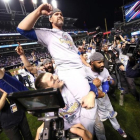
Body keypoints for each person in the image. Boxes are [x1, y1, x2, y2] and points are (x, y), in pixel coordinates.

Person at [17, 4, 98, 133]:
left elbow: (76, 52)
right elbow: (22, 29)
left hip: (80, 68)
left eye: (61, 14)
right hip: (70, 73)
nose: (60, 15)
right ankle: (86, 134)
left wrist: (86, 65)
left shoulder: (67, 35)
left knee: (98, 86)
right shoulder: (47, 34)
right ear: (50, 19)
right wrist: (38, 11)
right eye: (56, 14)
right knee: (89, 108)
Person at [85, 52, 127, 138]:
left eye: (103, 62)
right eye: (99, 62)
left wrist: (106, 89)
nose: (102, 64)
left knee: (111, 113)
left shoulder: (104, 70)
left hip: (104, 97)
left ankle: (118, 128)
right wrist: (93, 88)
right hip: (91, 101)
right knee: (98, 124)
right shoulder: (85, 71)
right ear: (92, 62)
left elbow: (107, 82)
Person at [0, 70, 32, 140]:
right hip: (9, 123)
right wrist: (5, 94)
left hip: (20, 116)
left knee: (28, 137)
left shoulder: (6, 82)